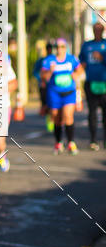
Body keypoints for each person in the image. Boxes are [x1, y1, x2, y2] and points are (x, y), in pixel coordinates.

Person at [41, 37, 82, 154]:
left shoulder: (71, 59)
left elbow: (80, 70)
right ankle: (58, 142)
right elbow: (43, 76)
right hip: (54, 93)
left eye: (62, 47)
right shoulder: (49, 60)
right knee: (56, 117)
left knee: (68, 115)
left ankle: (71, 143)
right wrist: (50, 71)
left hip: (69, 93)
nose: (60, 49)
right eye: (57, 47)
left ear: (66, 48)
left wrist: (76, 74)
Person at [79, 22, 106, 150]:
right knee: (92, 113)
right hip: (90, 83)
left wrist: (102, 57)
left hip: (104, 83)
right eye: (95, 29)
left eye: (100, 29)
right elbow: (81, 61)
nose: (97, 31)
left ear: (103, 30)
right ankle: (93, 140)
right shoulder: (87, 45)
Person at [0, 55, 18, 172]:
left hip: (1, 106)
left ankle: (1, 154)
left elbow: (13, 83)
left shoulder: (2, 59)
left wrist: (0, 89)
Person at [33, 41, 54, 132]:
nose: (49, 50)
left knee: (53, 104)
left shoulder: (55, 59)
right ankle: (49, 122)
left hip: (53, 86)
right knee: (45, 105)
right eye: (48, 49)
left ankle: (54, 121)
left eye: (50, 49)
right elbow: (36, 72)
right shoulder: (42, 60)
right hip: (44, 86)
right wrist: (41, 80)